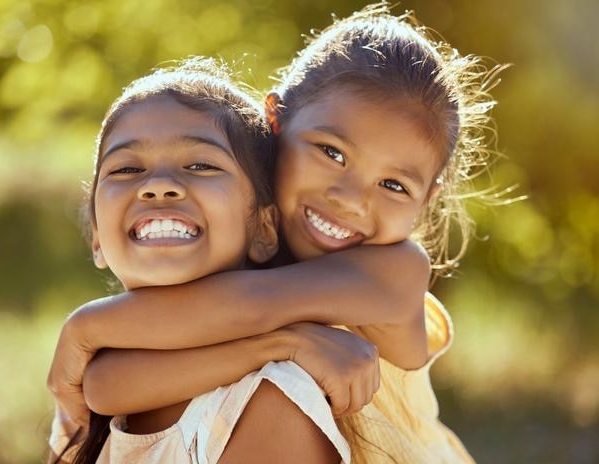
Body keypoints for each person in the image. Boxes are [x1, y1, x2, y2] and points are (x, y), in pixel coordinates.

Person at [49, 3, 502, 462]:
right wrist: (281, 344)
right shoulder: (245, 246)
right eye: (332, 152)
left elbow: (245, 305)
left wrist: (84, 329)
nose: (350, 198)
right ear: (275, 121)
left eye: (393, 185)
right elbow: (106, 385)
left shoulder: (393, 272)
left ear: (426, 200)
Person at [48, 57, 375, 464]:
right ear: (97, 236)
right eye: (127, 168)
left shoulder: (270, 402)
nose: (160, 186)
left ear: (264, 229)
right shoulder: (82, 401)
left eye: (200, 165)